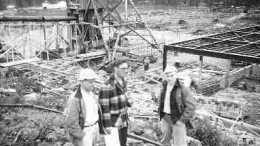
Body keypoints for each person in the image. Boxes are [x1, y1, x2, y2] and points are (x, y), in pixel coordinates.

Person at [65, 68, 103, 146]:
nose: (93, 84)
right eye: (90, 82)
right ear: (82, 81)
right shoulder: (75, 98)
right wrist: (81, 136)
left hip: (95, 129)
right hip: (85, 132)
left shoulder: (92, 94)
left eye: (94, 82)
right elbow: (72, 122)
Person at [99, 58, 132, 146]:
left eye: (127, 68)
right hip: (114, 123)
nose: (126, 71)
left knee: (123, 144)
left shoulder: (123, 82)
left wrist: (128, 101)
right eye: (123, 68)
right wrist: (107, 127)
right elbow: (104, 109)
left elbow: (123, 98)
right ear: (115, 68)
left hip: (124, 121)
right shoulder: (106, 86)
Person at [158, 71, 196, 146]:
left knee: (179, 143)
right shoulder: (164, 87)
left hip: (177, 119)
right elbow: (161, 100)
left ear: (176, 75)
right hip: (166, 117)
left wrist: (182, 120)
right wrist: (160, 113)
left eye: (171, 76)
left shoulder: (183, 89)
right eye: (167, 76)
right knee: (165, 141)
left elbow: (191, 106)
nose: (169, 78)